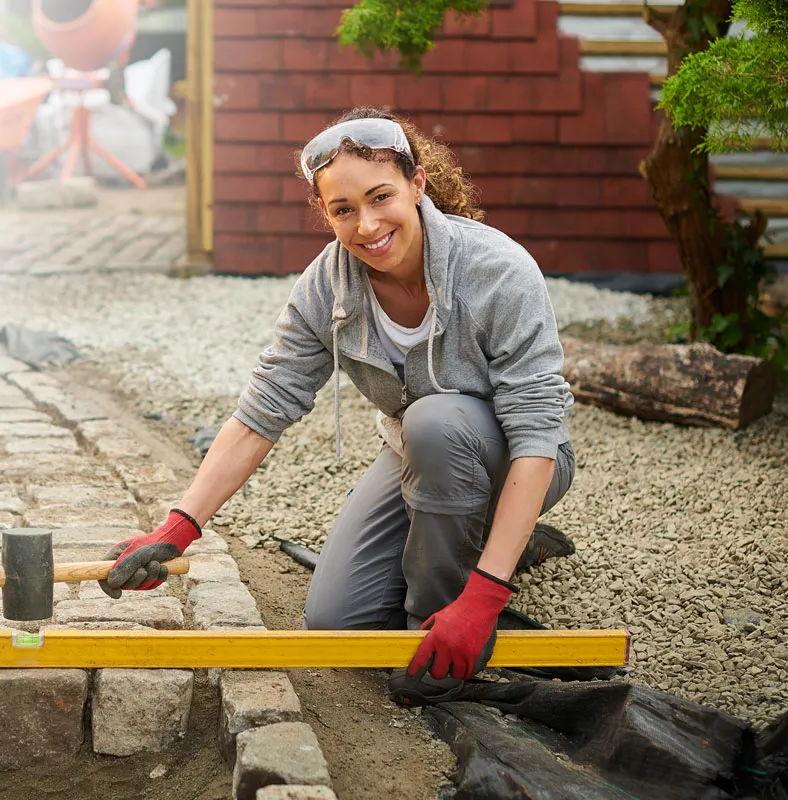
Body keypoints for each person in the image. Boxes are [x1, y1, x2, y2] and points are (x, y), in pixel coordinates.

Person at [99, 106, 579, 706]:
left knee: (435, 421)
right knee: (336, 625)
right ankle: (489, 541)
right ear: (325, 214)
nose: (368, 225)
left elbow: (536, 433)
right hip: (423, 457)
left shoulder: (497, 271)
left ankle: (445, 619)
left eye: (381, 197)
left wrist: (482, 598)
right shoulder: (327, 287)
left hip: (519, 459)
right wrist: (178, 527)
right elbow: (263, 409)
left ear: (418, 184)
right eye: (343, 210)